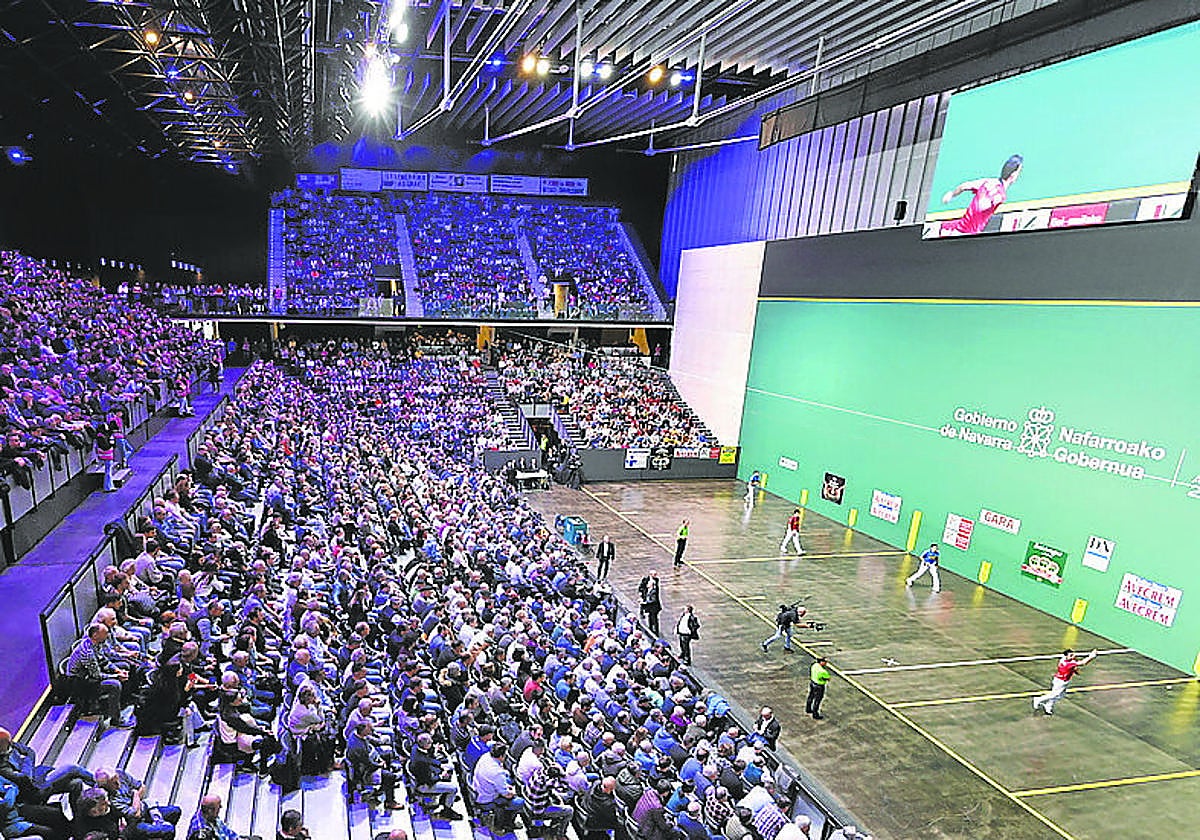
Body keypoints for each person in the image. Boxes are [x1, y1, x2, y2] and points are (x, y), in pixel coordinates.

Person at [939, 154, 1024, 236]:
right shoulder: (1000, 196)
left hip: (960, 229)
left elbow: (964, 186)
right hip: (965, 234)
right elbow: (981, 206)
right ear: (1013, 174)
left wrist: (951, 195)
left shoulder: (988, 182)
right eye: (1019, 172)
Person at [1032, 649, 1098, 715]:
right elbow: (1083, 663)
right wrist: (1091, 656)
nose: (1073, 656)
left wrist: (1074, 670)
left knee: (1060, 695)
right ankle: (1038, 699)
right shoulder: (1069, 663)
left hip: (1061, 680)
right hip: (1060, 682)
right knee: (1054, 695)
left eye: (1073, 655)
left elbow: (1073, 666)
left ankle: (1048, 705)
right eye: (1071, 655)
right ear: (1066, 656)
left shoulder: (1064, 659)